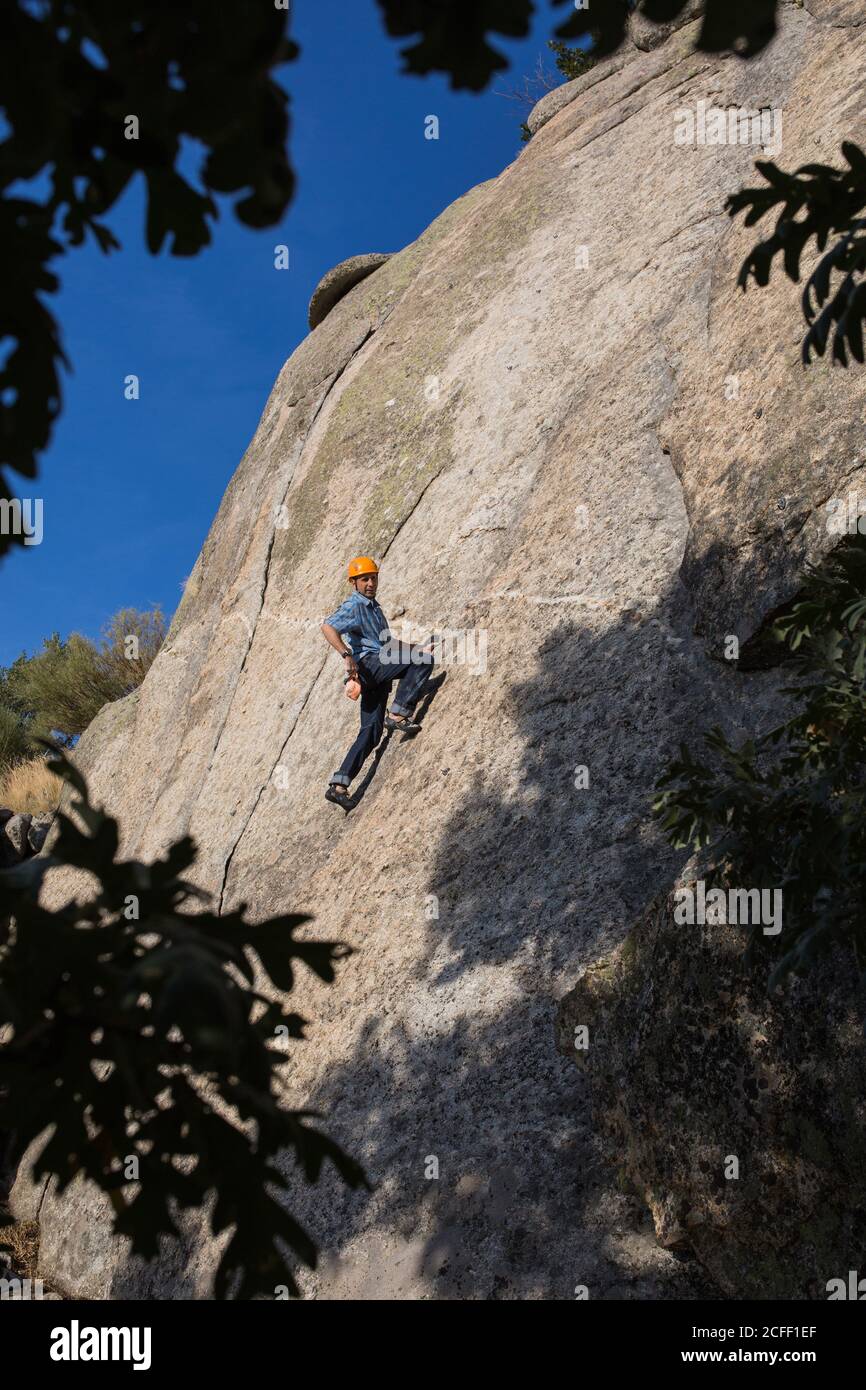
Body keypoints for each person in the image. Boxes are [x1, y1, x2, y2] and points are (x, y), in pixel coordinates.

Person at [321, 556, 435, 805]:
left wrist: (417, 648)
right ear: (354, 582)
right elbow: (328, 627)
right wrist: (346, 654)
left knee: (371, 732)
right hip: (370, 664)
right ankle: (398, 715)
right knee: (423, 663)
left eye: (373, 578)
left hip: (376, 668)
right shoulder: (354, 605)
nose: (370, 583)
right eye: (364, 579)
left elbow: (388, 643)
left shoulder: (375, 609)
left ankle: (338, 785)